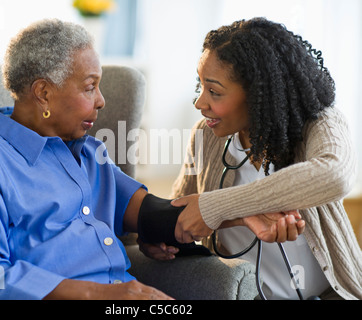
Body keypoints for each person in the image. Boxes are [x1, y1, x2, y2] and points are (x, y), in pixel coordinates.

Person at [0, 19, 303, 300]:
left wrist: (243, 214)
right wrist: (107, 295)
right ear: (43, 92)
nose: (101, 101)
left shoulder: (89, 153)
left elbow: (155, 214)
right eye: (89, 87)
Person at [154, 18, 360, 300]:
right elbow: (184, 211)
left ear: (258, 93)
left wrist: (216, 206)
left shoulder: (319, 122)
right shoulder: (204, 137)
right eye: (200, 86)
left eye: (214, 91)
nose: (200, 103)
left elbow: (334, 176)